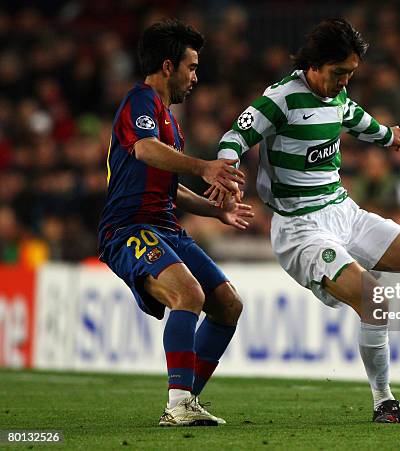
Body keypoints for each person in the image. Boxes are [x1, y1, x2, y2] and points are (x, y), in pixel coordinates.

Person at [207, 18, 400, 423]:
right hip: (300, 229)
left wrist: (388, 136)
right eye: (338, 73)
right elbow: (235, 137)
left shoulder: (337, 97)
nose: (344, 82)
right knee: (374, 298)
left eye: (350, 75)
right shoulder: (282, 99)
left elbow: (357, 119)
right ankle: (384, 400)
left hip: (344, 212)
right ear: (315, 65)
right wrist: (225, 166)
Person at [98, 19, 253, 427]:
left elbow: (168, 188)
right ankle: (178, 404)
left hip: (165, 227)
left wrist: (214, 209)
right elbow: (147, 151)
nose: (195, 77)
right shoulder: (140, 101)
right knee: (189, 293)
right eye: (192, 67)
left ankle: (186, 400)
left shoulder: (170, 120)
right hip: (128, 229)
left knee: (228, 305)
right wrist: (203, 167)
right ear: (169, 67)